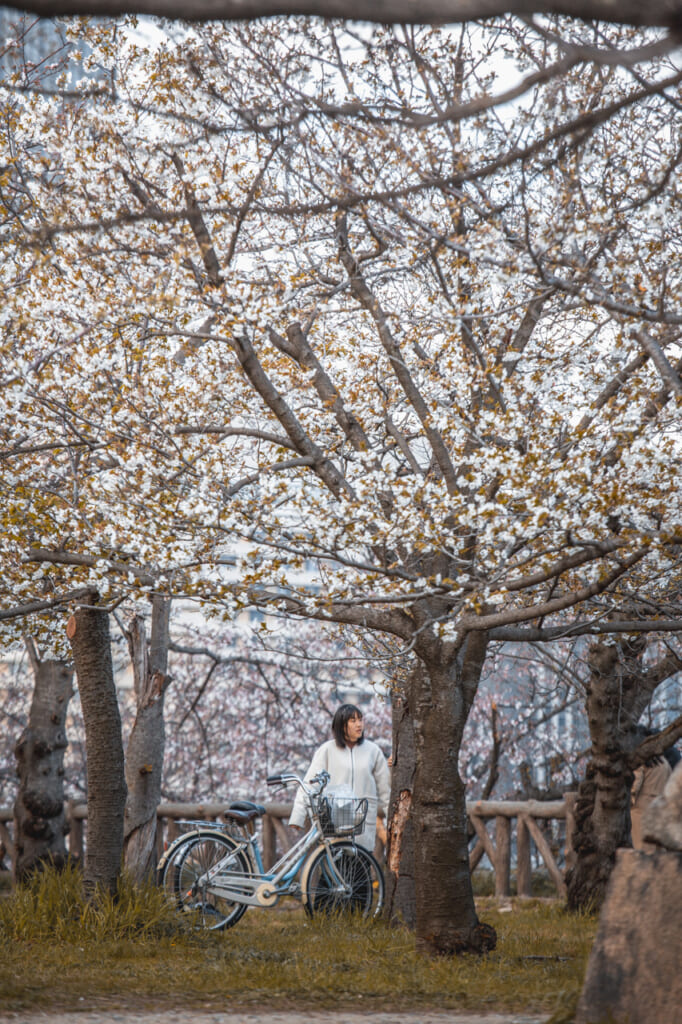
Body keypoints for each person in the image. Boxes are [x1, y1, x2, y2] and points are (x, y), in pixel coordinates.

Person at [288, 704, 391, 852]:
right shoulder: (327, 750)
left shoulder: (373, 751)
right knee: (331, 872)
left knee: (361, 873)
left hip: (362, 827)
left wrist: (394, 823)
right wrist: (297, 816)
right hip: (334, 827)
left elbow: (386, 791)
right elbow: (309, 784)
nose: (359, 724)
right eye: (353, 720)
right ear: (342, 725)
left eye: (360, 720)